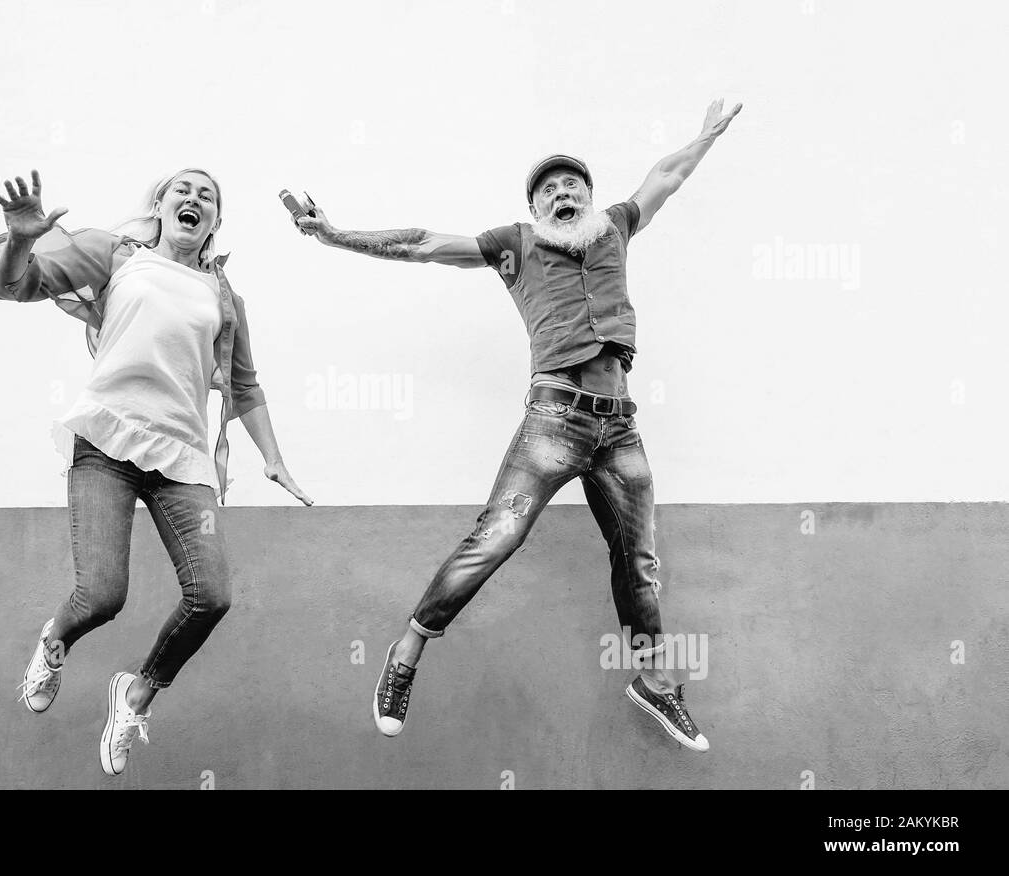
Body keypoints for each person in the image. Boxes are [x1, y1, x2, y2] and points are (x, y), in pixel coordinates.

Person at [293, 100, 743, 751]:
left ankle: (652, 681)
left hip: (621, 431)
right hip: (553, 422)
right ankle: (407, 651)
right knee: (498, 534)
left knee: (639, 564)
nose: (563, 192)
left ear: (589, 198)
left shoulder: (616, 226)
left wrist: (704, 136)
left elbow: (664, 177)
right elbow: (423, 245)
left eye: (573, 185)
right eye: (549, 189)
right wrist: (336, 236)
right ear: (535, 208)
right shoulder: (514, 246)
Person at [0, 167, 311, 775]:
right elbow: (15, 286)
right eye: (184, 189)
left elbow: (244, 384)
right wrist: (19, 240)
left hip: (181, 460)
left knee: (212, 596)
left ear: (215, 221)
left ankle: (137, 692)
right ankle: (55, 640)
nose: (194, 198)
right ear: (159, 204)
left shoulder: (224, 297)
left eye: (208, 196)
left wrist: (272, 457)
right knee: (102, 596)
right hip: (107, 441)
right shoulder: (120, 257)